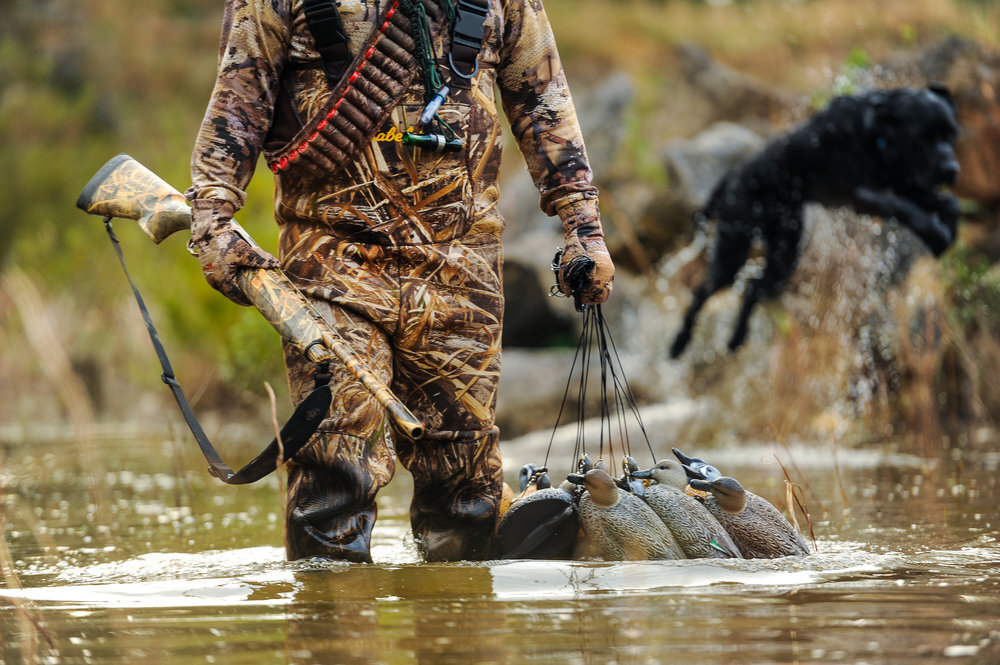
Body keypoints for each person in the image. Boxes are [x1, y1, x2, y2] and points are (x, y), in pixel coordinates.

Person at [186, 0, 614, 563]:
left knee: (466, 494)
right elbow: (237, 107)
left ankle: (455, 628)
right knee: (334, 473)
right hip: (332, 264)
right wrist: (212, 222)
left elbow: (543, 101)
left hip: (463, 271)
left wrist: (584, 228)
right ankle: (333, 633)